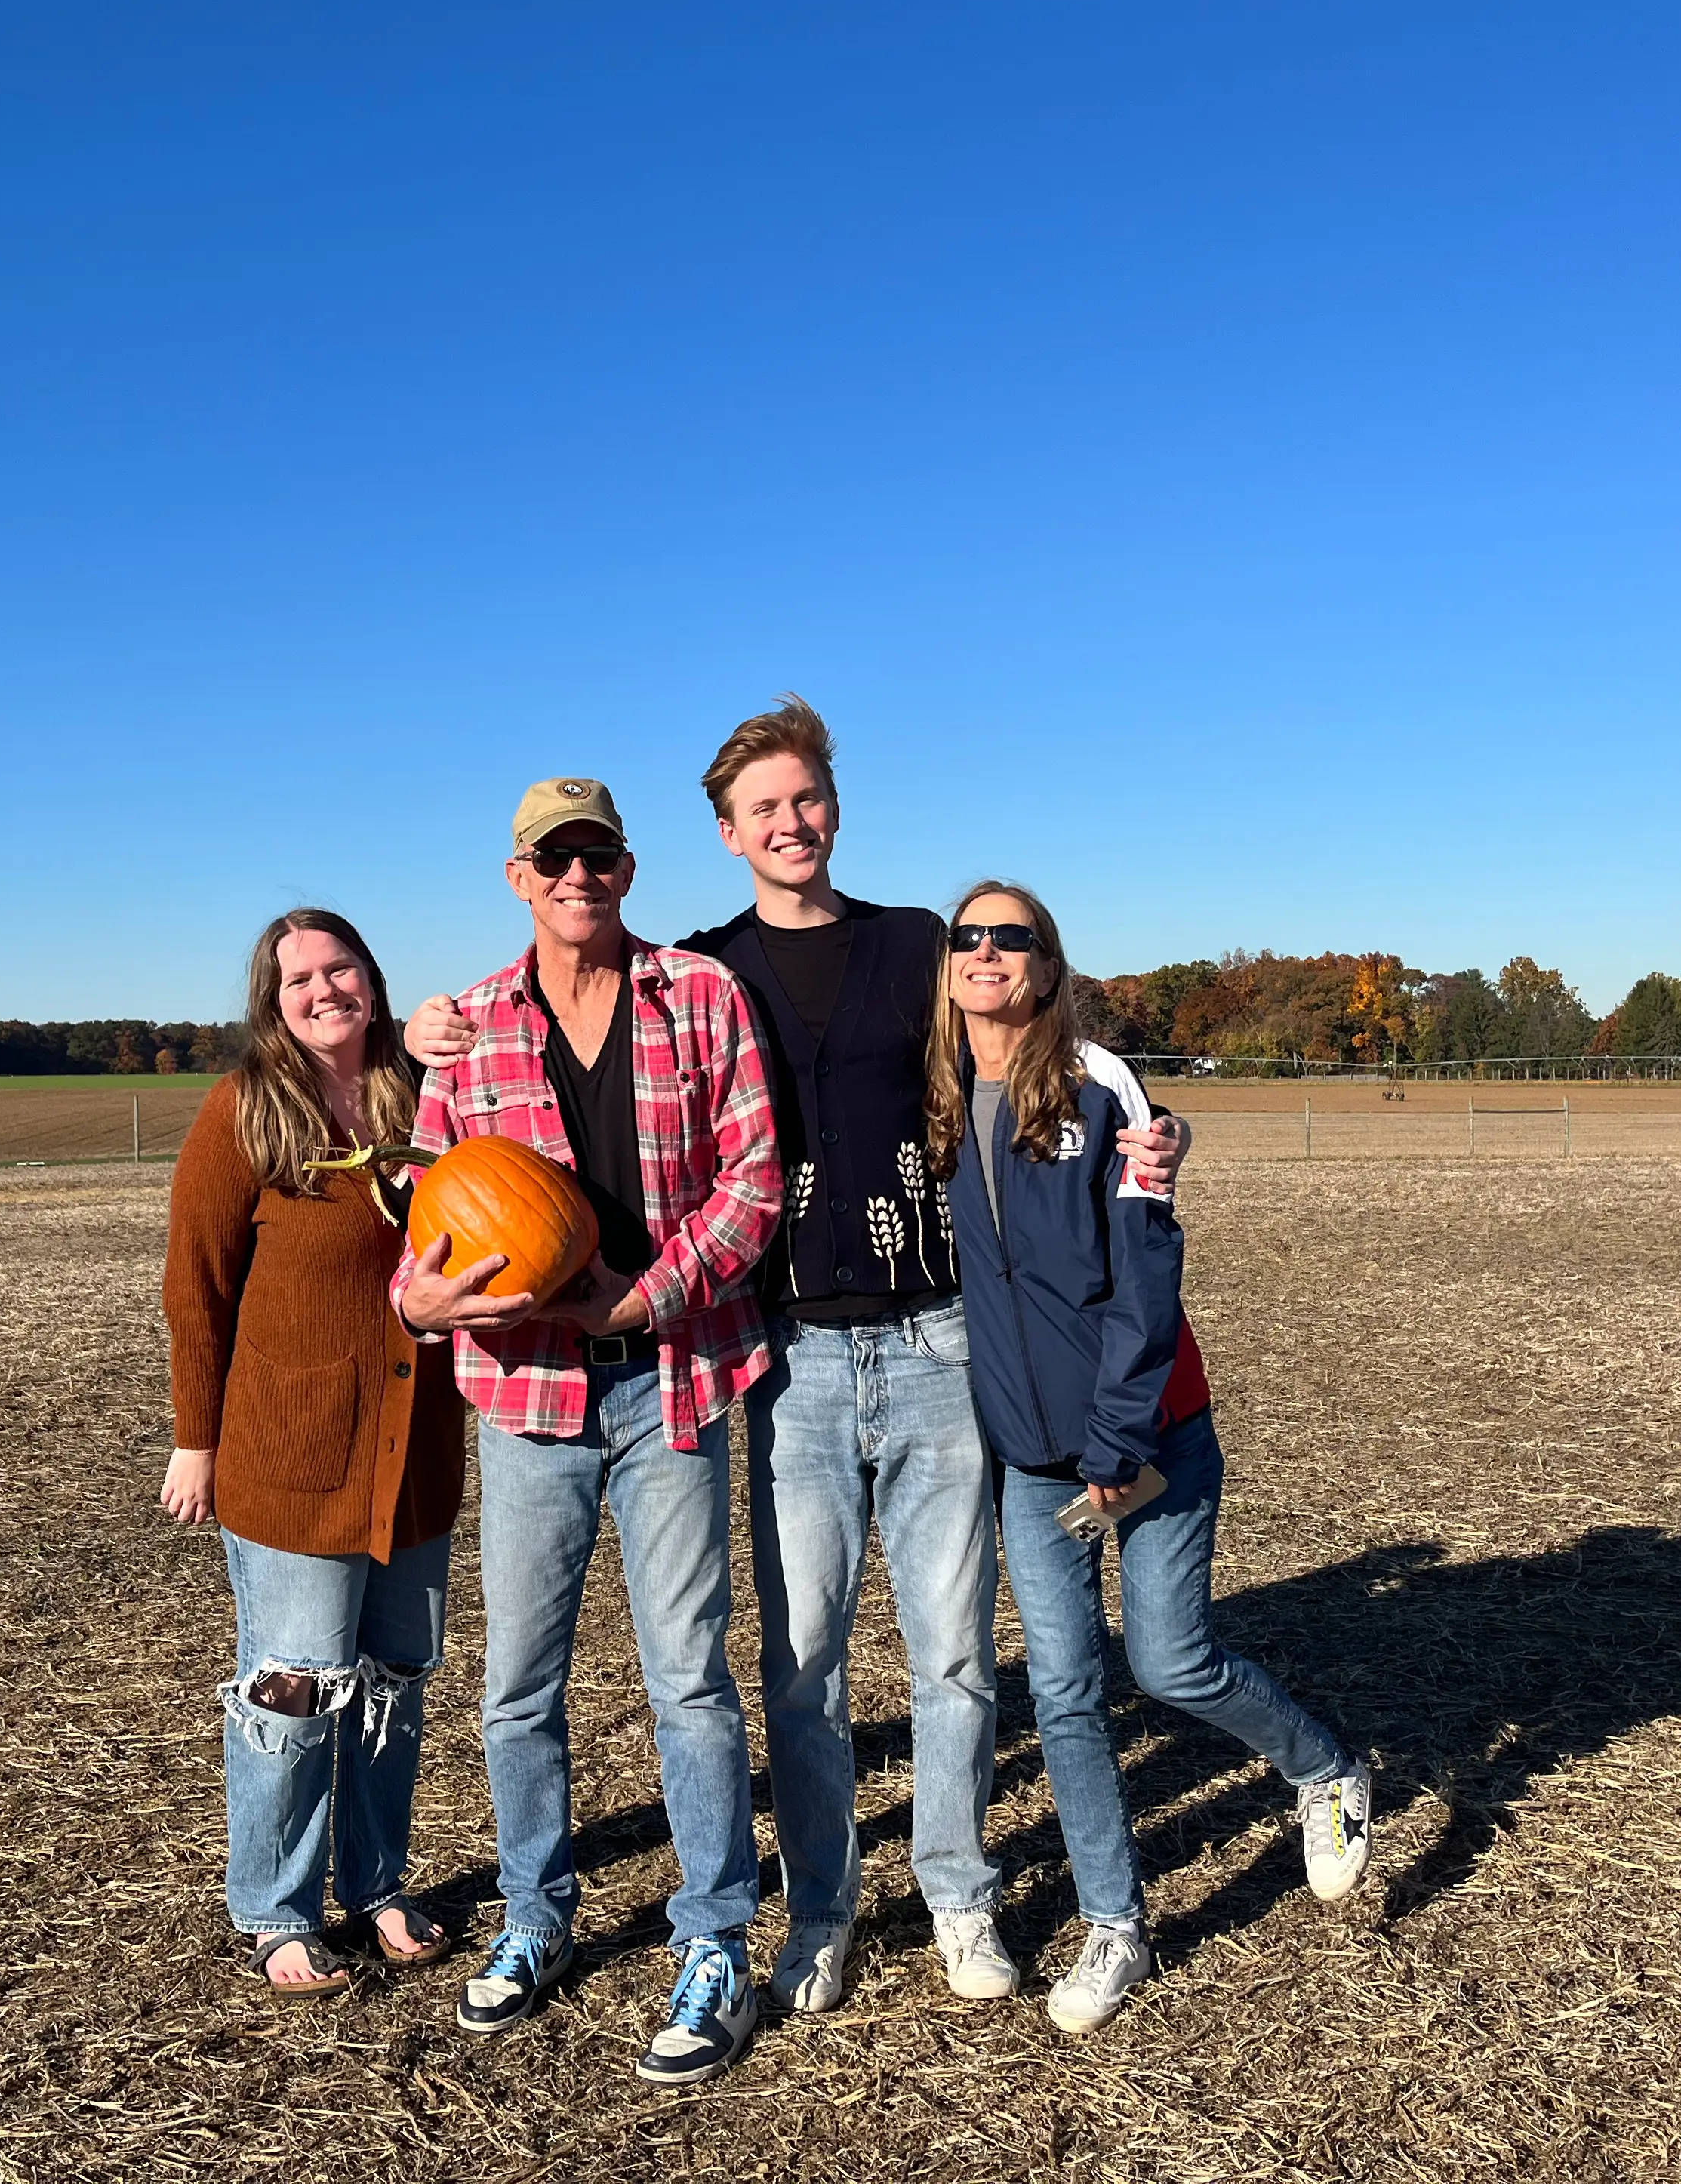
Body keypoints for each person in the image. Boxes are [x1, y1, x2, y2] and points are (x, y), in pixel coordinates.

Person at [408, 698, 1192, 2016]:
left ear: (834, 808)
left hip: (940, 1343)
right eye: (761, 808)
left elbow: (1040, 1032)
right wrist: (415, 1031)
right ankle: (820, 1908)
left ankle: (955, 1893)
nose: (789, 823)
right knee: (803, 1660)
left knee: (950, 1656)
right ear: (724, 835)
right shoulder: (711, 970)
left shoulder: (913, 949)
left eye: (805, 799)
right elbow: (464, 1163)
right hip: (794, 1360)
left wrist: (1153, 1132)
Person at [393, 775, 781, 2087]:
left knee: (690, 1681)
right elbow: (430, 1211)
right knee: (518, 1686)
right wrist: (424, 1297)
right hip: (527, 1400)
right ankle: (536, 1916)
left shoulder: (701, 996)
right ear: (519, 876)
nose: (577, 876)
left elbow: (754, 1180)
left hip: (672, 1380)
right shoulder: (470, 1032)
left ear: (627, 867)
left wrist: (650, 1291)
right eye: (552, 858)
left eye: (597, 854)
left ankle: (717, 1933)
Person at [931, 879, 1373, 2033]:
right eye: (965, 937)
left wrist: (1119, 1436)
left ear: (1047, 961)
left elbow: (1147, 1275)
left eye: (1009, 937)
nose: (985, 952)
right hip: (1030, 1458)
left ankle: (1323, 1770)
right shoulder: (930, 1094)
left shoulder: (1101, 1083)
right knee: (1067, 1692)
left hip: (1150, 1429)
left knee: (1170, 1665)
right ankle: (1113, 1923)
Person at [162, 909, 469, 1998]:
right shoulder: (246, 1109)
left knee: (393, 1686)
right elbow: (194, 1289)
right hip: (289, 1450)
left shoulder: (423, 1090)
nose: (324, 989)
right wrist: (196, 1440)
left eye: (341, 967)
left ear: (373, 978)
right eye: (300, 978)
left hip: (417, 1444)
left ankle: (377, 1884)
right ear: (272, 999)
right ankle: (278, 1909)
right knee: (294, 1688)